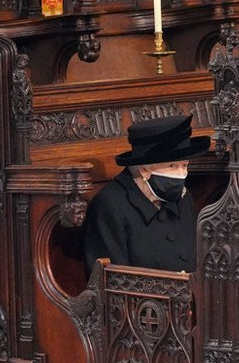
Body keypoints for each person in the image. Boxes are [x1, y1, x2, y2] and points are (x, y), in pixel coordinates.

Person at [83, 114, 210, 274]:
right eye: (172, 166)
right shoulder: (110, 206)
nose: (181, 174)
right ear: (144, 169)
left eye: (184, 165)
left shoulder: (183, 197)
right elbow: (110, 282)